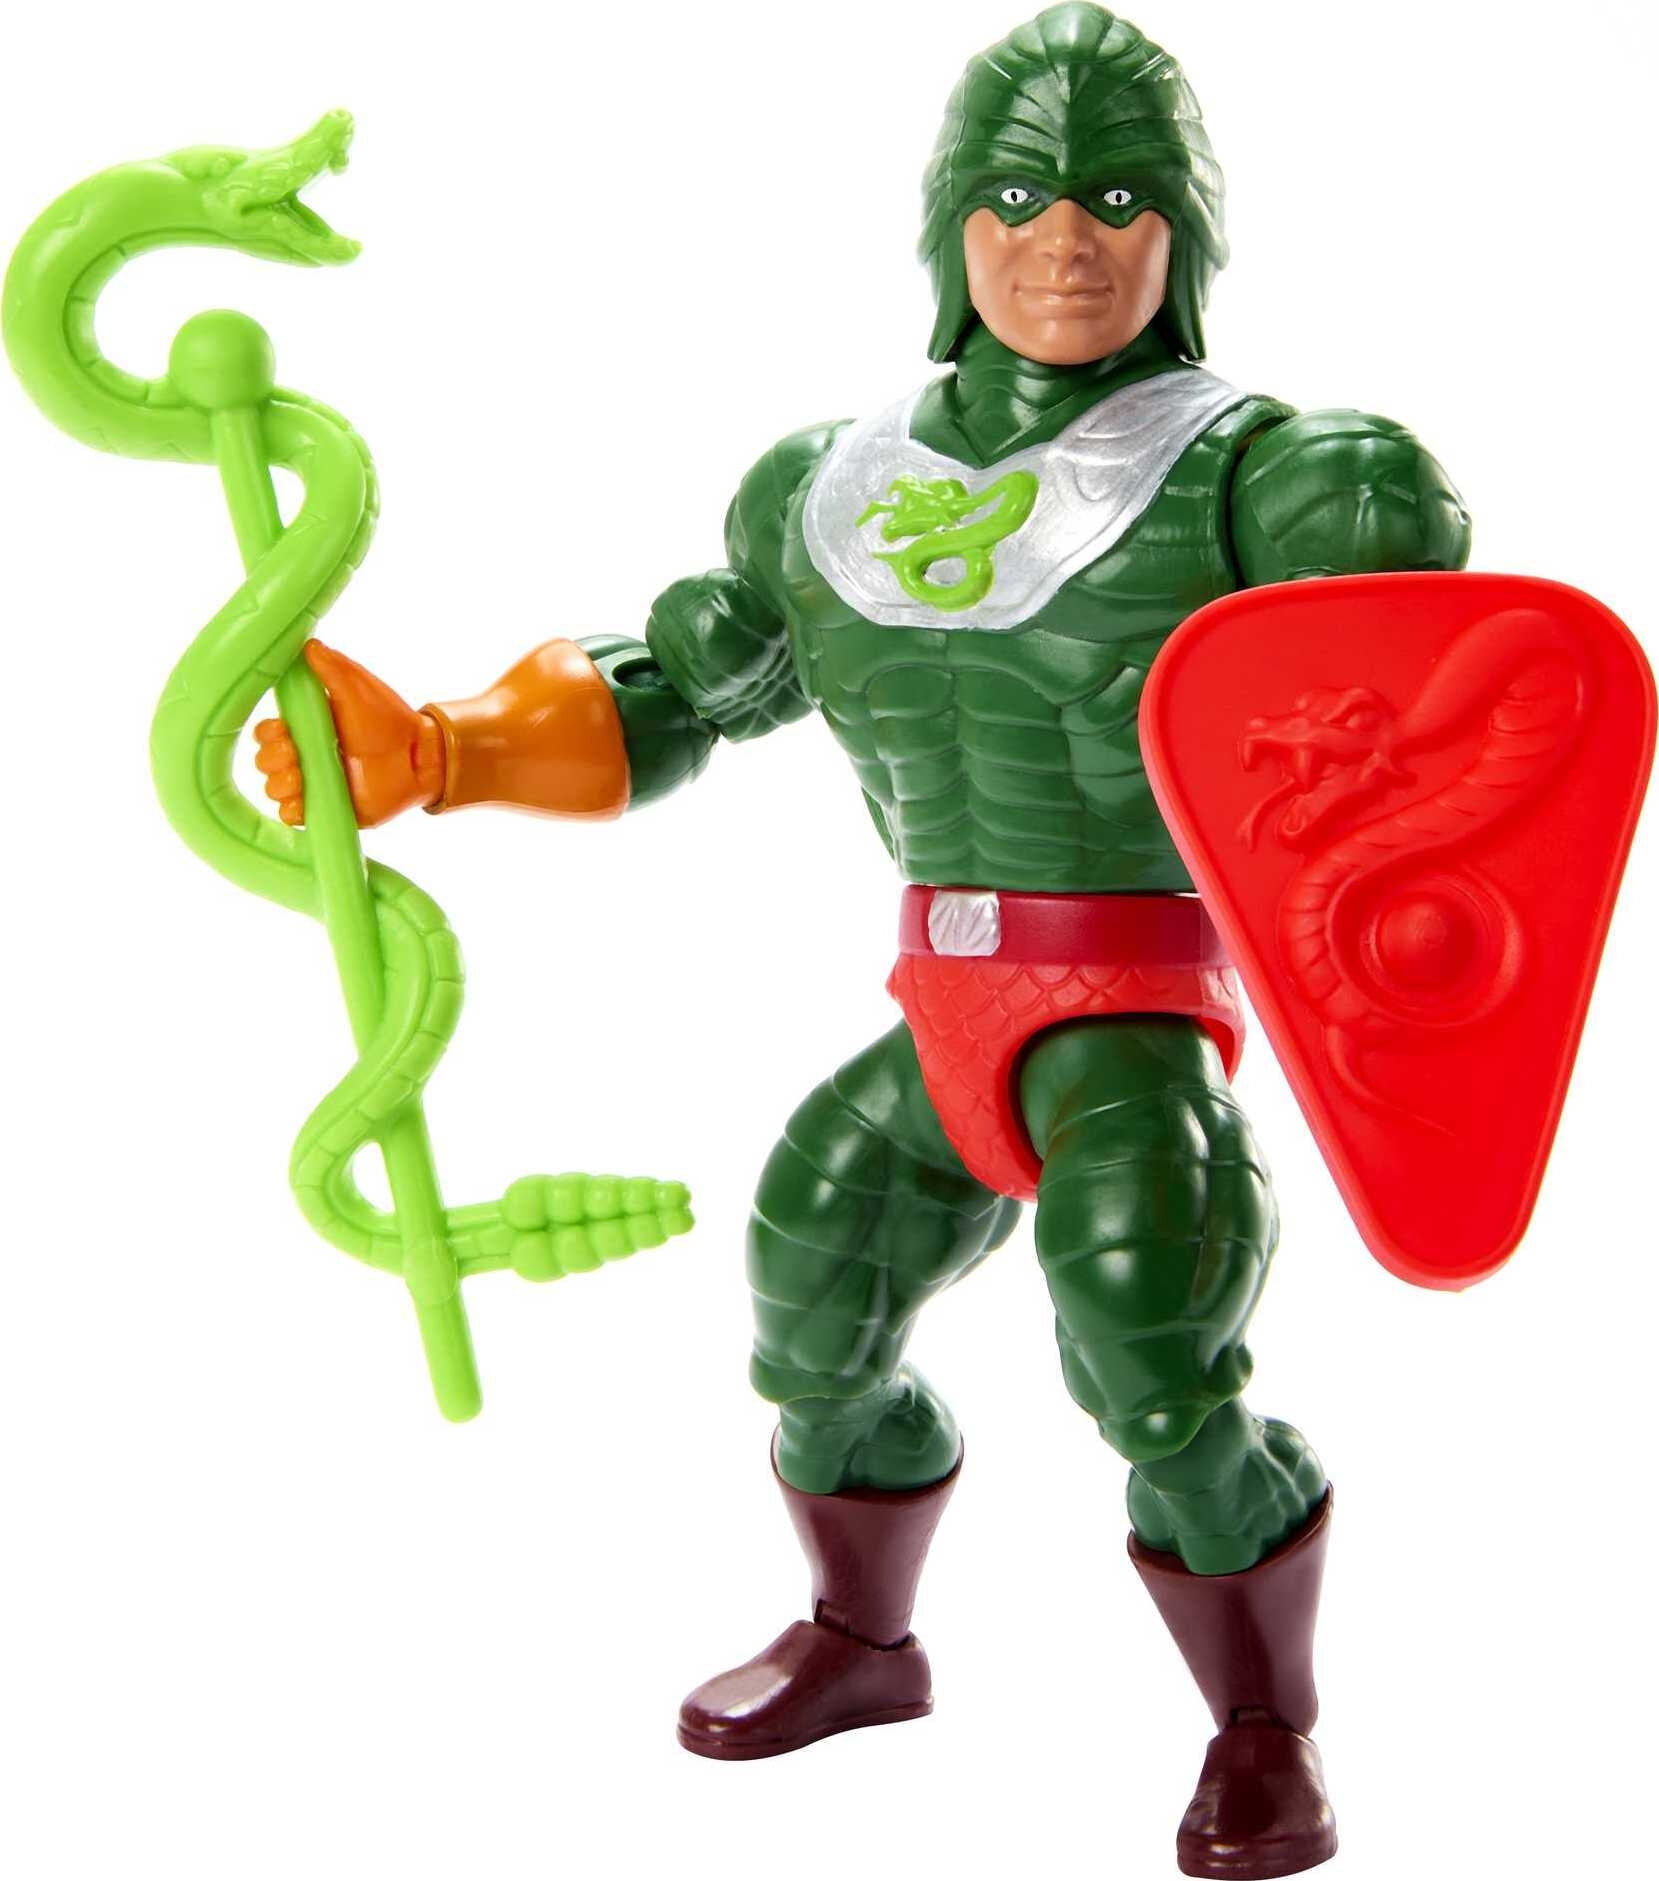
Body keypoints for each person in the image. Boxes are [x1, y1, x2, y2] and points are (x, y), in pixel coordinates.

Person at [254, 9, 1469, 1874]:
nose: (1065, 243)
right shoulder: (829, 483)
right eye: (1019, 198)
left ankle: (1263, 1725)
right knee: (810, 1309)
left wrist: (1368, 518)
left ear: (1184, 232)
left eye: (1117, 201)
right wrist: (442, 748)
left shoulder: (1245, 473)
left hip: (1136, 1010)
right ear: (952, 226)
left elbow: (1409, 636)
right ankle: (863, 1641)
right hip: (947, 1002)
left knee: (1151, 1362)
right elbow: (684, 686)